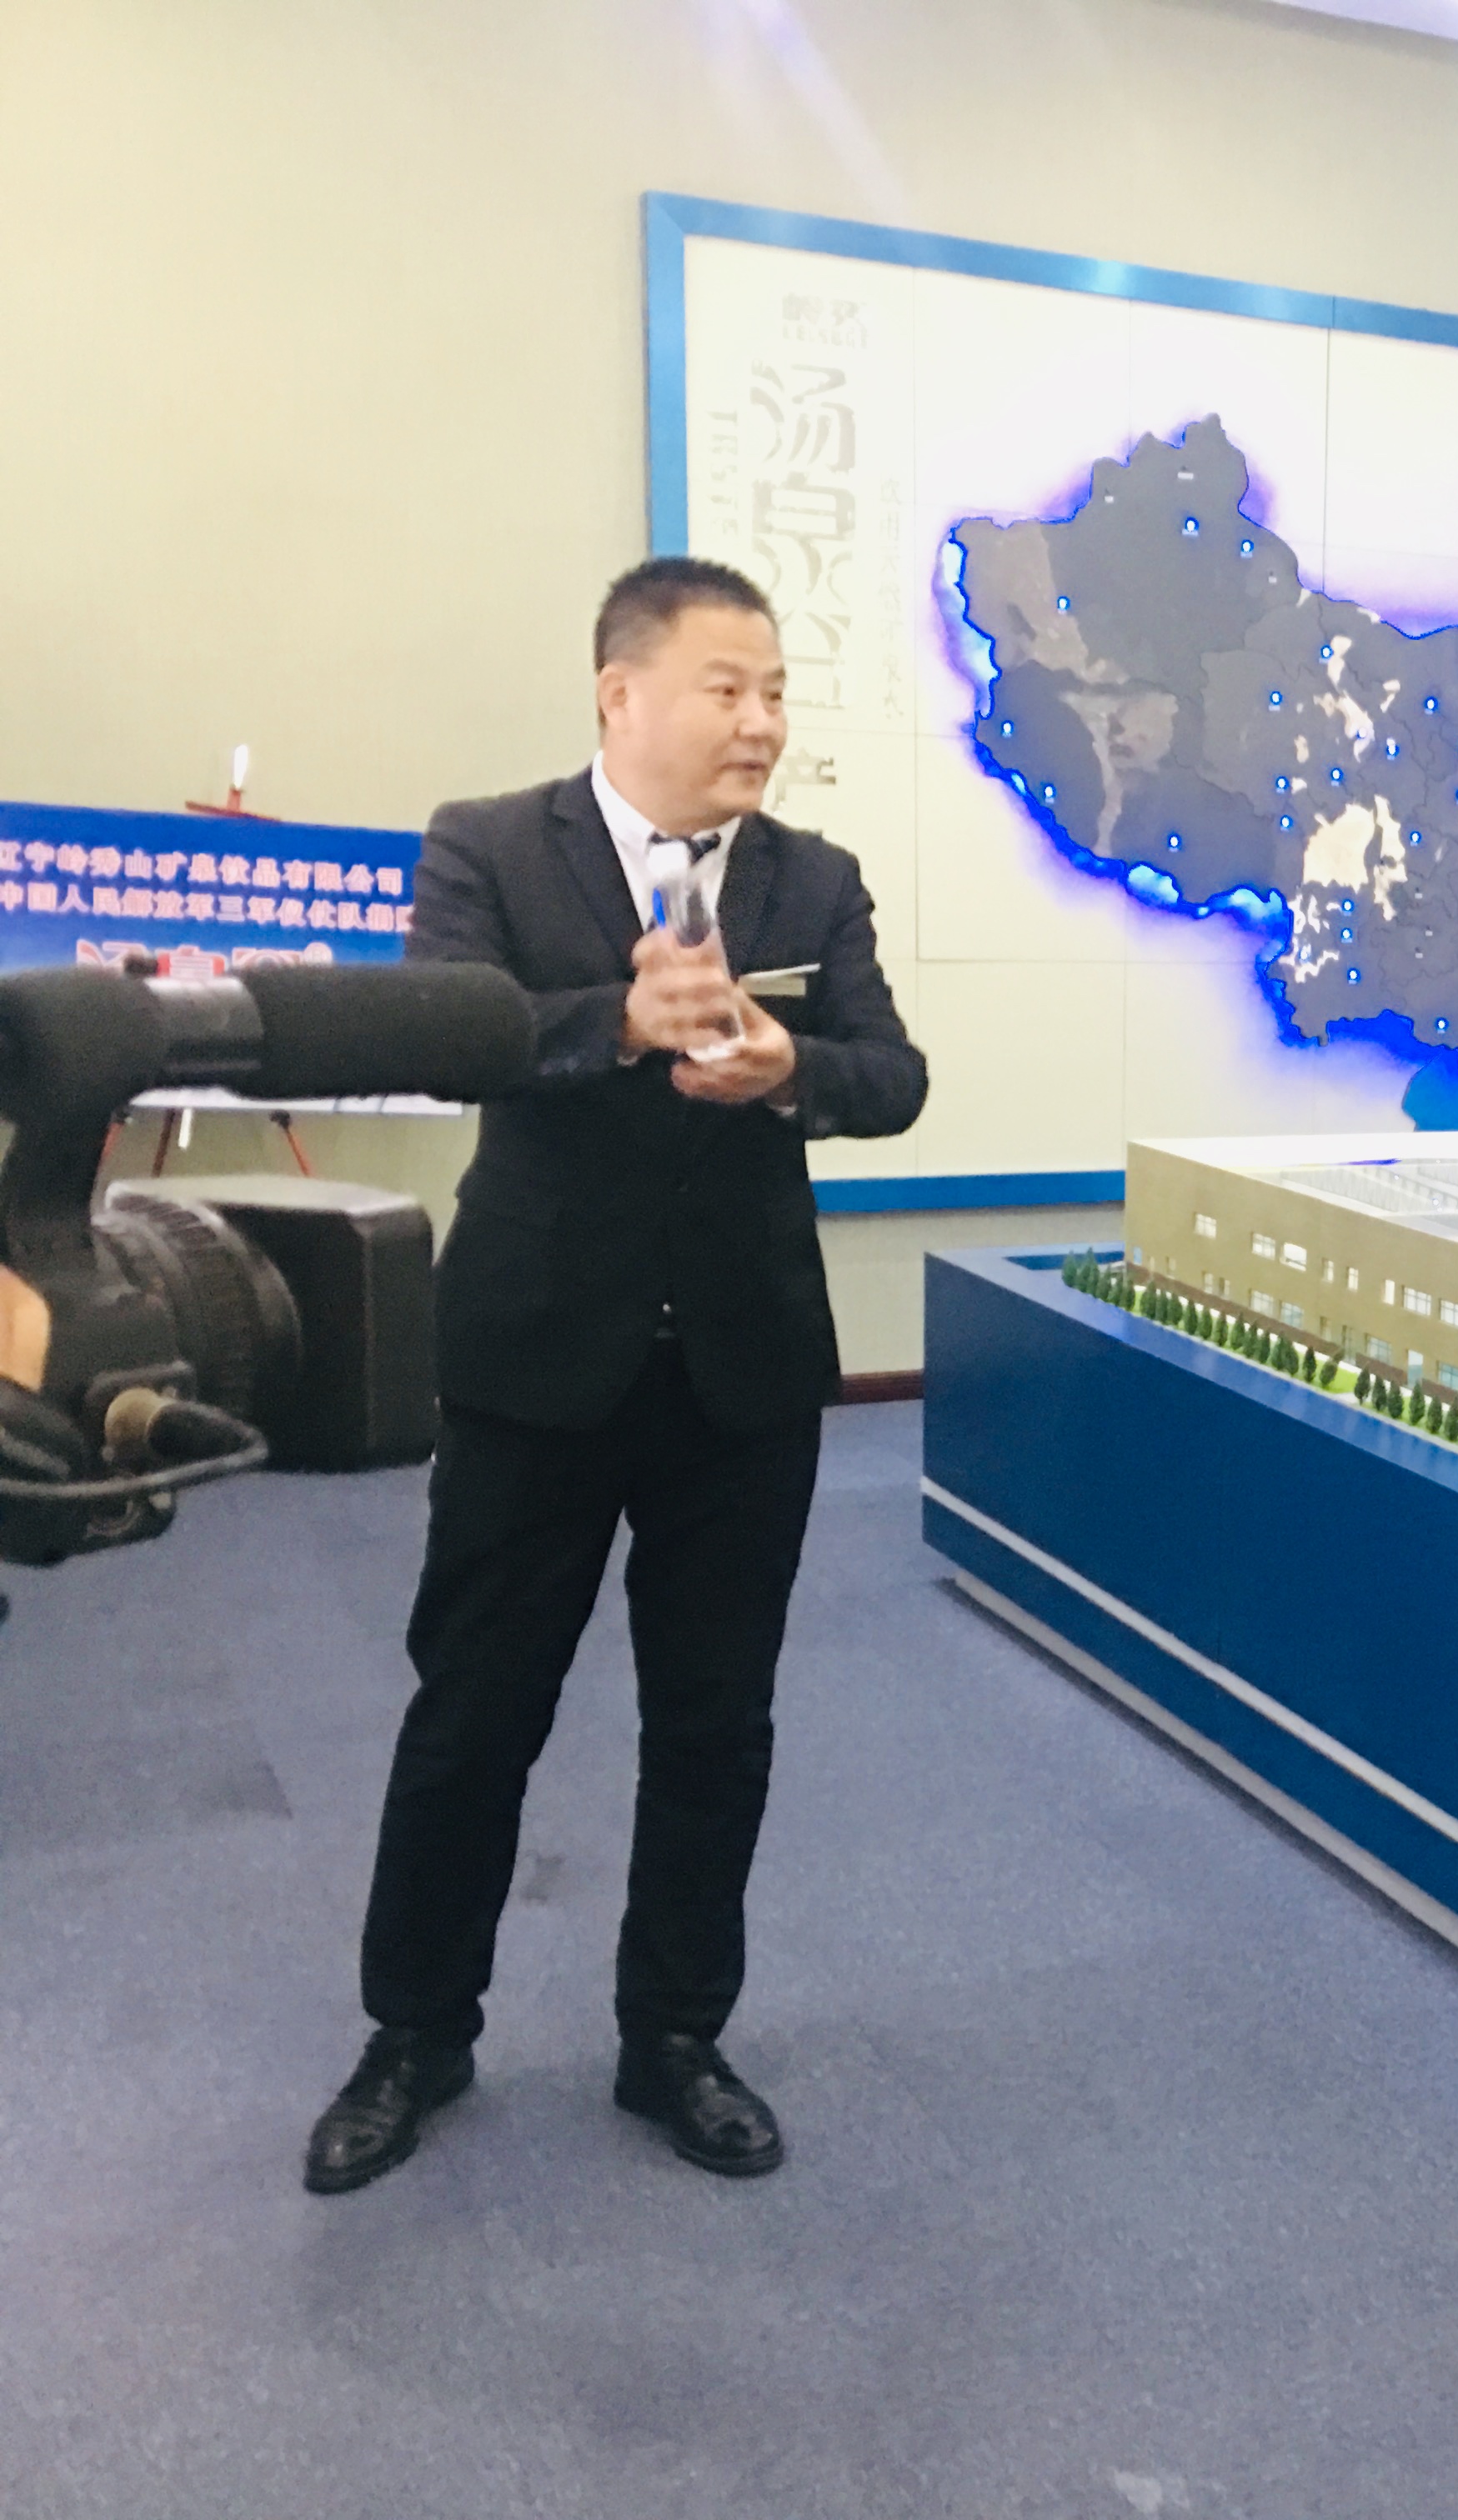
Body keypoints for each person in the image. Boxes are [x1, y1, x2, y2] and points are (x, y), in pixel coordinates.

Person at [302, 557, 929, 2194]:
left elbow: (893, 1075)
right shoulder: (490, 846)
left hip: (743, 1371)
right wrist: (621, 1025)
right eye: (730, 688)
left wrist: (791, 1070)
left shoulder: (812, 880)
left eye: (777, 692)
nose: (762, 722)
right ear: (620, 693)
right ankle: (416, 2034)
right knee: (474, 1714)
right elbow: (442, 1041)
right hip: (534, 1362)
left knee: (714, 1723)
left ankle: (676, 2039)